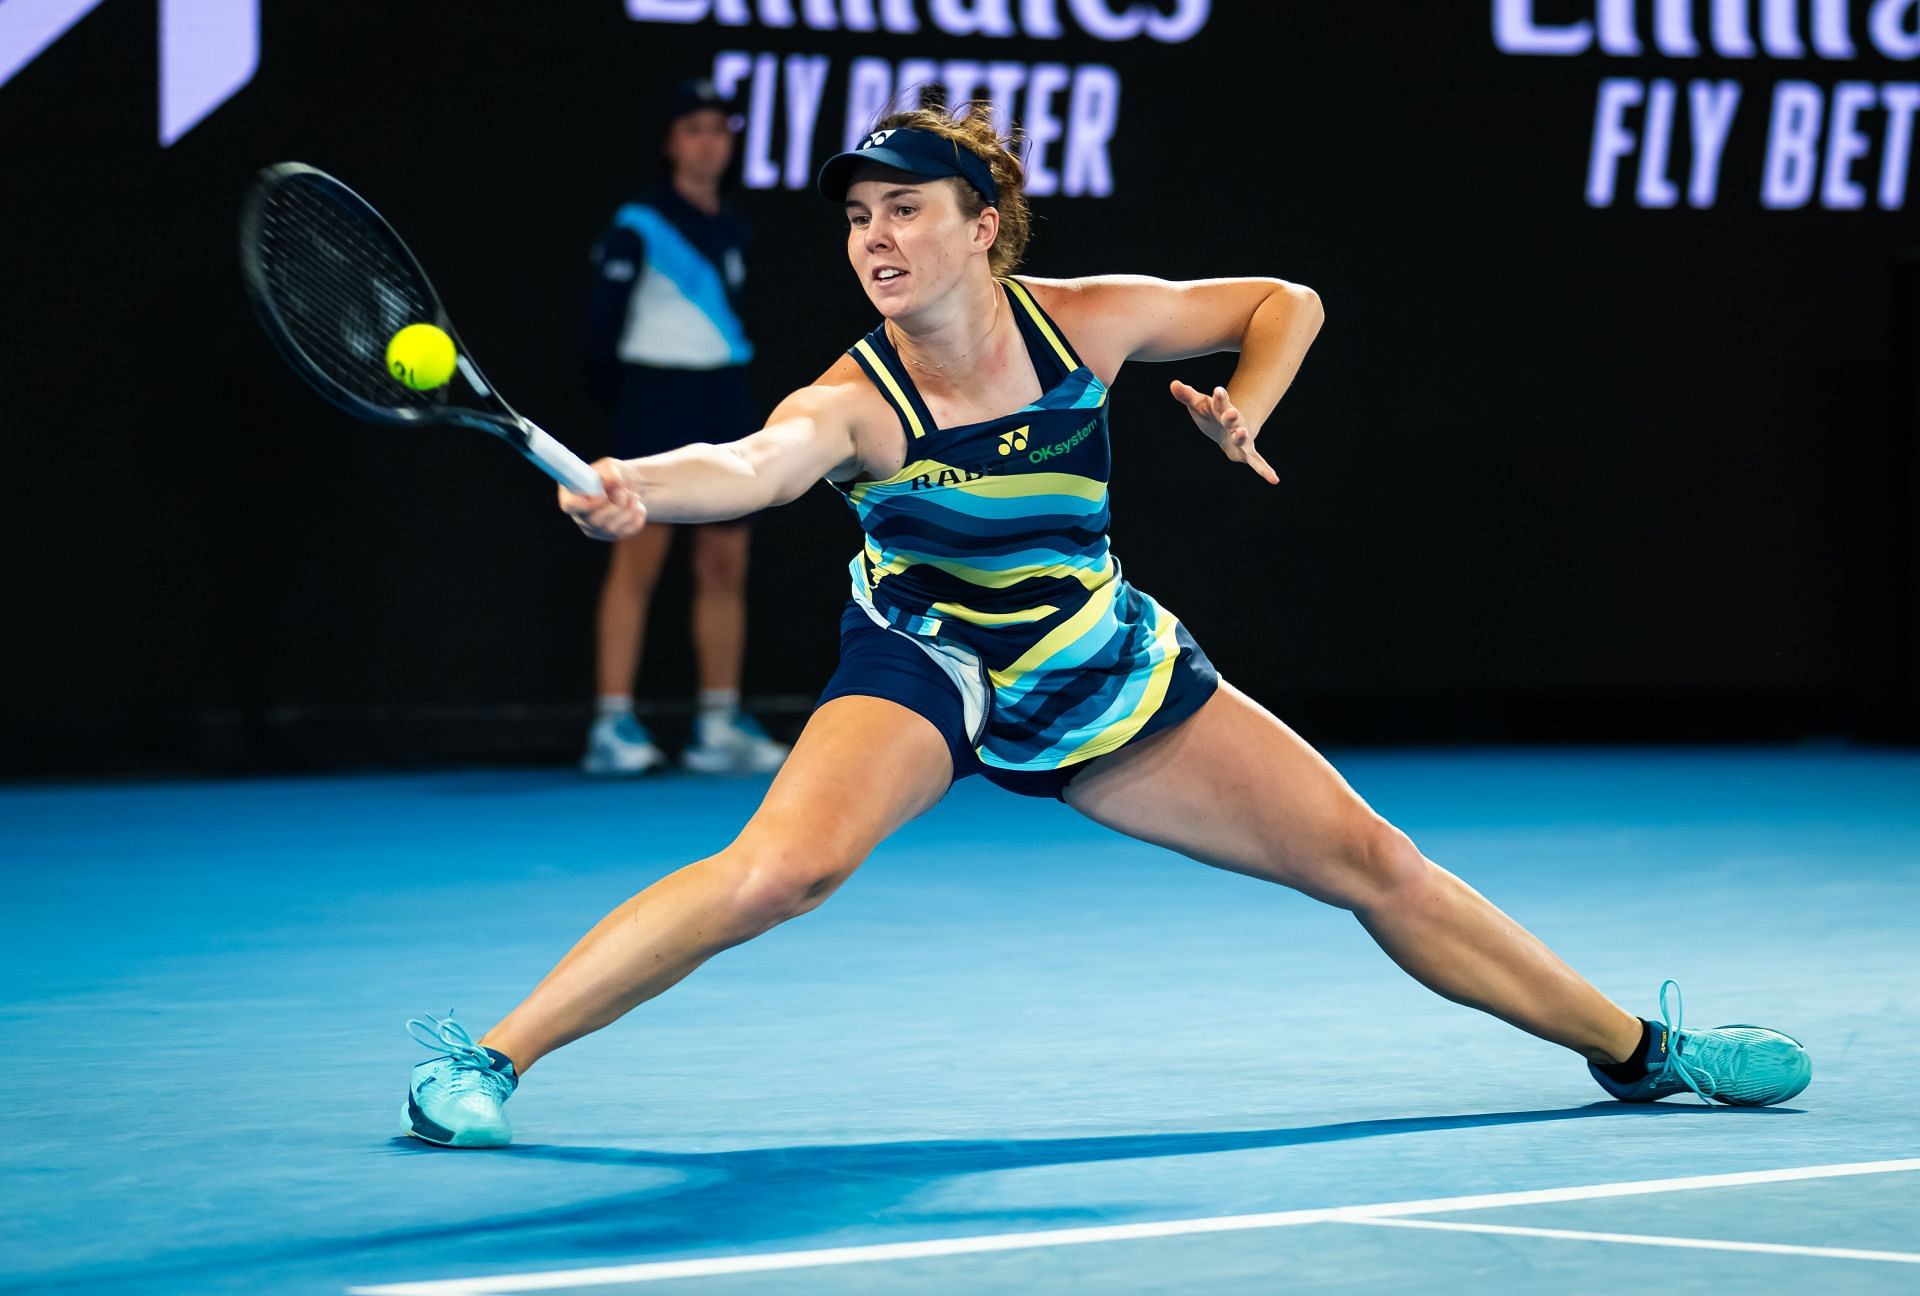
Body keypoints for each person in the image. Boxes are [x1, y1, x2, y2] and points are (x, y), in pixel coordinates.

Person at [401, 107, 1811, 1146]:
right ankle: (492, 1059)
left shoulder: (1092, 321)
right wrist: (639, 486)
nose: (877, 238)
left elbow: (1285, 303)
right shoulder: (852, 397)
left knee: (1376, 863)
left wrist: (1248, 403)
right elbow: (753, 465)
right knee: (779, 872)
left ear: (981, 227)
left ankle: (1640, 1049)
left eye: (906, 210)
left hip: (1097, 661)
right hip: (930, 664)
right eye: (856, 217)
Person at [579, 78, 788, 776]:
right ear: (671, 143)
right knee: (637, 557)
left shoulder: (735, 224)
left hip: (724, 391)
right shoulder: (637, 223)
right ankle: (612, 725)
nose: (708, 141)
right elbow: (598, 335)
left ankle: (717, 725)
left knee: (725, 563)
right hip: (655, 394)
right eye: (694, 129)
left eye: (719, 130)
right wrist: (628, 405)